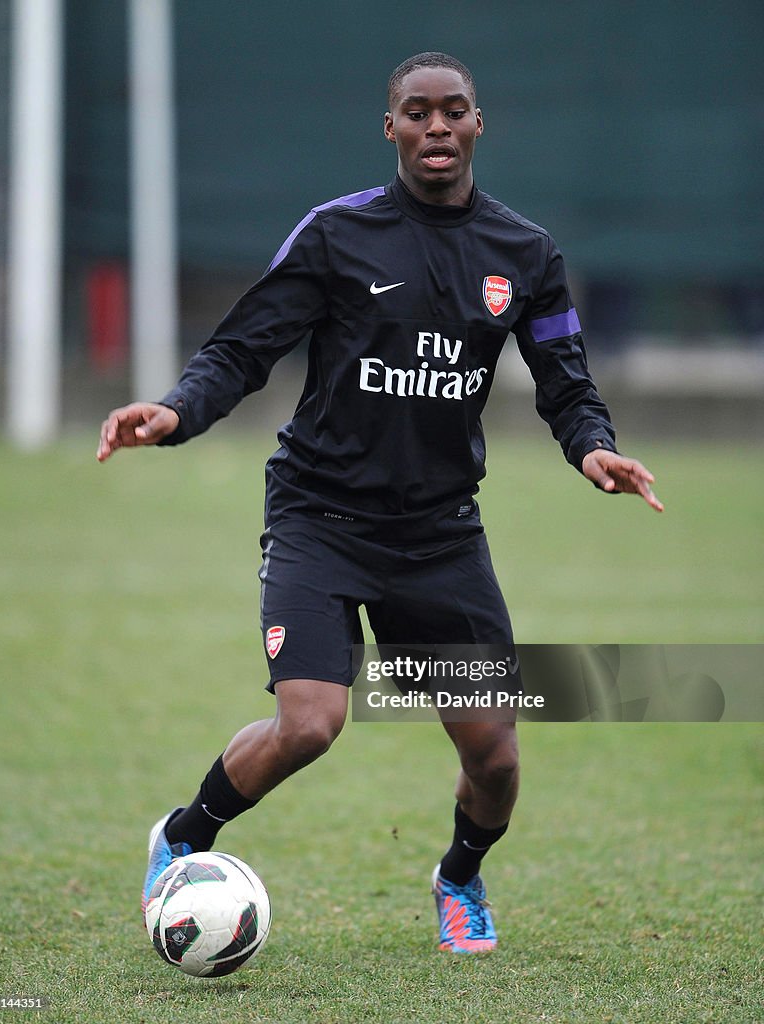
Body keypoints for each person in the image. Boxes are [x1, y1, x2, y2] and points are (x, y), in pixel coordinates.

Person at [97, 51, 663, 954]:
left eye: (453, 112)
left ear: (480, 124)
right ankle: (184, 837)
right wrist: (173, 411)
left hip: (439, 538)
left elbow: (567, 384)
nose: (436, 127)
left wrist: (595, 449)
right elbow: (245, 348)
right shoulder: (336, 235)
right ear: (390, 128)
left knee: (496, 755)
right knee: (313, 721)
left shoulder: (526, 254)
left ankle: (460, 879)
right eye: (417, 112)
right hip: (319, 518)